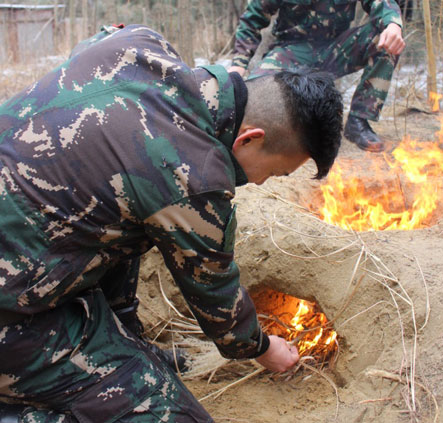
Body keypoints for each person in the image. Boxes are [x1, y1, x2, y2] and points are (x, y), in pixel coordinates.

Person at [0, 24, 343, 423]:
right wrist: (263, 348)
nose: (263, 182)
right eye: (276, 173)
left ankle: (123, 340)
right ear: (249, 138)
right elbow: (219, 303)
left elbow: (97, 39)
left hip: (27, 244)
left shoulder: (140, 43)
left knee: (127, 209)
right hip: (15, 312)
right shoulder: (194, 177)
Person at [228, 0, 406, 152]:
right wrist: (238, 64)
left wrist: (393, 24)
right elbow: (253, 18)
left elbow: (381, 2)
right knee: (254, 95)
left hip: (337, 49)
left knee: (384, 39)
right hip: (292, 50)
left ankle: (358, 121)